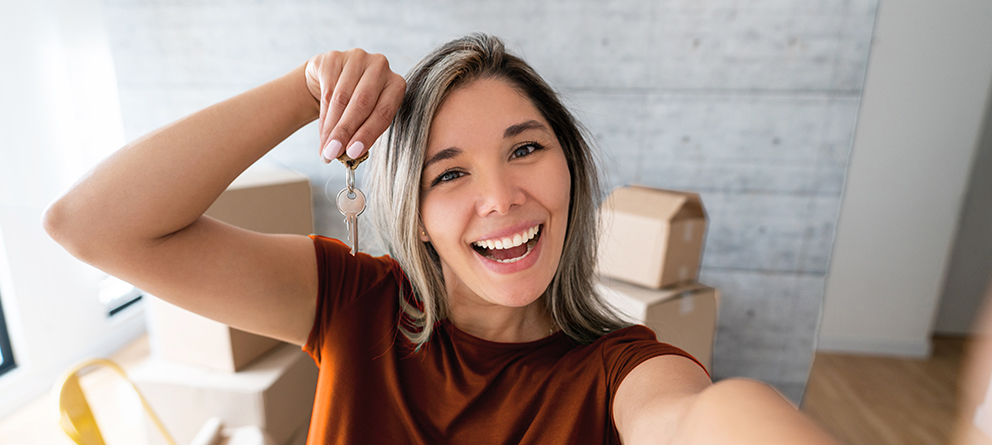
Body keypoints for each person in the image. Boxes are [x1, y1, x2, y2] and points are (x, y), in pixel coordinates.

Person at [44, 33, 839, 444]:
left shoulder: (623, 369)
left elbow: (698, 419)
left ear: (571, 171)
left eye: (526, 148)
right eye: (449, 173)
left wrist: (739, 408)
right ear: (413, 213)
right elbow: (89, 224)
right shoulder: (355, 301)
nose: (502, 197)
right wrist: (305, 88)